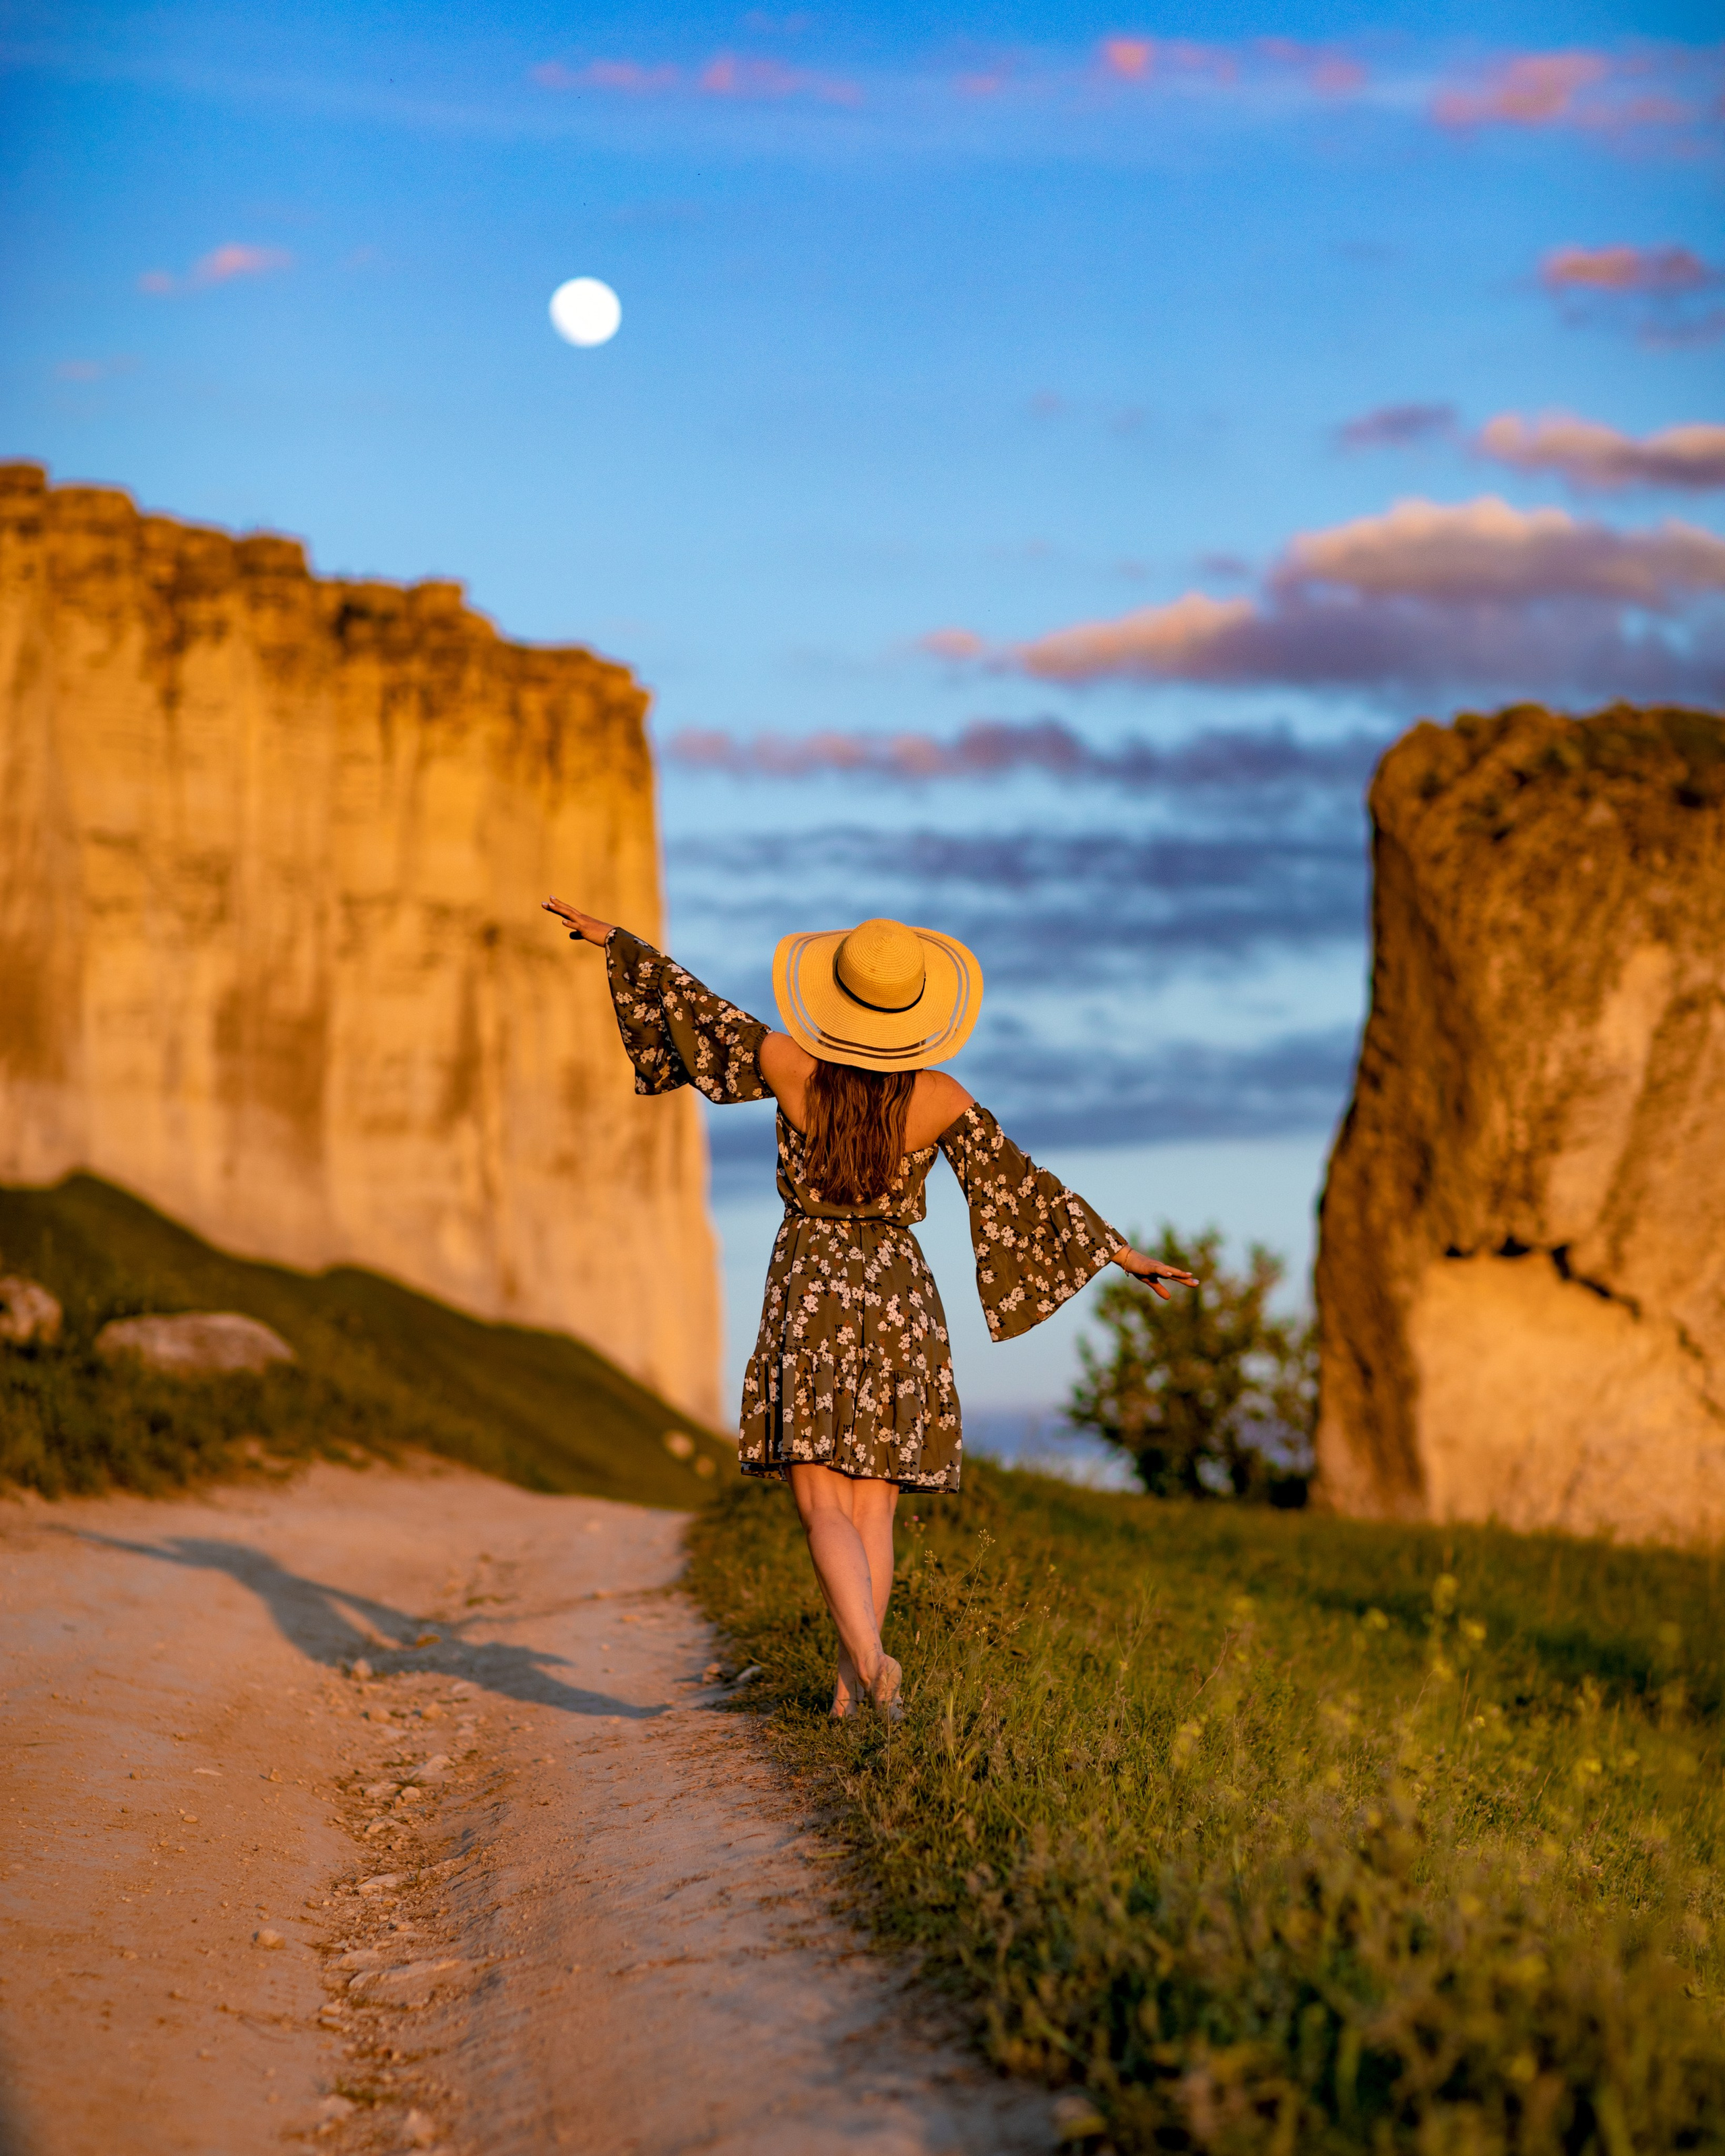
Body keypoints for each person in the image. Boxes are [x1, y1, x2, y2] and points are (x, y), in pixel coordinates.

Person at [543, 898, 1196, 1721]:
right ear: (916, 1012)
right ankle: (858, 1687)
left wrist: (620, 945)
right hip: (898, 1289)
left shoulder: (787, 1065)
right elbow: (1023, 1187)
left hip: (810, 1279)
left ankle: (864, 1665)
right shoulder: (942, 1095)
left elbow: (696, 1010)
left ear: (836, 999)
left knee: (821, 1501)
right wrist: (1119, 1252)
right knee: (873, 1504)